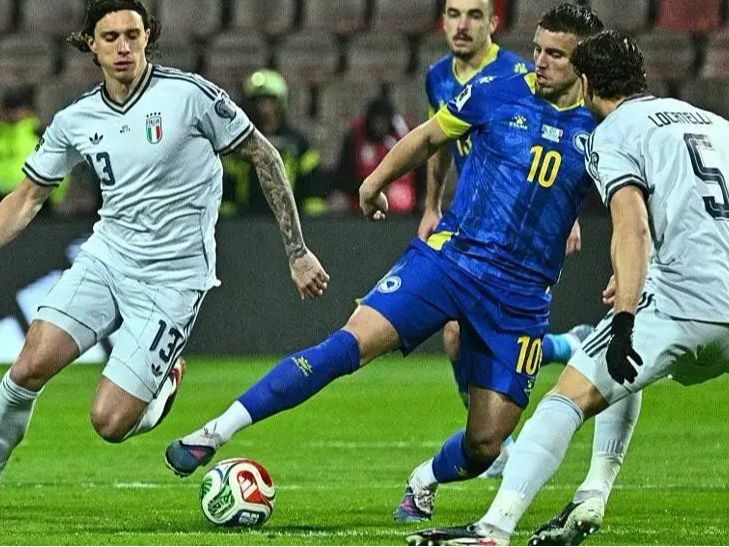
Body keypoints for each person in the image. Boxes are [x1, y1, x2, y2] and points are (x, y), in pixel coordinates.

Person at [164, 2, 604, 492]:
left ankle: (424, 479)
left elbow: (629, 204)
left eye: (555, 55)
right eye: (538, 49)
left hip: (519, 295)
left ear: (583, 62)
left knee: (485, 444)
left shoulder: (603, 123)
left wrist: (615, 264)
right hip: (452, 259)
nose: (539, 62)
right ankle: (214, 431)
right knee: (348, 345)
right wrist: (378, 182)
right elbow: (430, 136)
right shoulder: (496, 89)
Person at [406, 29, 729, 547]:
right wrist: (635, 279)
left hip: (683, 303)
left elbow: (632, 227)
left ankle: (493, 528)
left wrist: (626, 316)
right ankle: (592, 493)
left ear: (587, 82)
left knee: (565, 399)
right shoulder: (712, 123)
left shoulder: (613, 133)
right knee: (623, 376)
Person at [0, 0, 328, 477]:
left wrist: (297, 253)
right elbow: (26, 199)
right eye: (111, 37)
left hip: (173, 281)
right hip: (107, 260)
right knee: (28, 367)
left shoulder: (189, 96)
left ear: (148, 37)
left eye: (132, 35)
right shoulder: (77, 119)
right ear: (91, 45)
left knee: (109, 422)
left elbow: (265, 155)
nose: (123, 47)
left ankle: (165, 382)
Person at [400, 0, 593, 497]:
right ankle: (511, 408)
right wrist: (431, 205)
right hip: (469, 222)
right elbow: (439, 140)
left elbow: (559, 140)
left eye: (474, 15)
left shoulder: (520, 75)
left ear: (493, 23)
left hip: (518, 228)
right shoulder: (438, 77)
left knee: (464, 334)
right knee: (453, 337)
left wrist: (566, 215)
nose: (462, 25)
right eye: (454, 14)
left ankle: (504, 418)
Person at [221, 69, 328, 217]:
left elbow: (312, 191)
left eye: (269, 101)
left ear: (280, 103)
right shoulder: (237, 144)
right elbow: (228, 190)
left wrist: (311, 222)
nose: (263, 107)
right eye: (257, 101)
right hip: (246, 221)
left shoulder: (299, 145)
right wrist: (229, 221)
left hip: (289, 221)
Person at [330, 96, 419, 214]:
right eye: (376, 121)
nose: (379, 126)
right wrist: (368, 188)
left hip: (398, 205)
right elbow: (343, 177)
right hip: (361, 202)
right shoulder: (355, 139)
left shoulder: (402, 139)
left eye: (382, 122)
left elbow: (417, 174)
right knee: (337, 202)